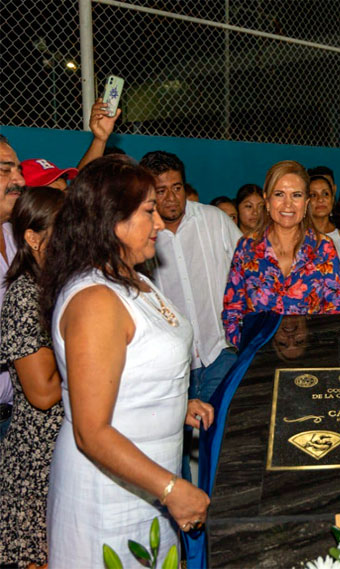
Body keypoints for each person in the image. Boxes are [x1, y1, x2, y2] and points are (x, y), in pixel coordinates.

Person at [41, 156, 214, 567]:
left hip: (146, 483)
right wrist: (172, 489)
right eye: (148, 212)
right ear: (111, 220)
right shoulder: (95, 300)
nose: (159, 223)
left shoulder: (133, 278)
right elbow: (92, 431)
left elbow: (135, 368)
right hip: (108, 496)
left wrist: (172, 403)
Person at [140, 151, 241, 405]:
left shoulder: (214, 220)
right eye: (161, 191)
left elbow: (248, 271)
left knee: (219, 437)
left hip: (220, 352)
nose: (172, 198)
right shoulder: (140, 233)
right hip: (171, 366)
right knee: (181, 443)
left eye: (177, 188)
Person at [0, 187, 65, 568]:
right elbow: (41, 394)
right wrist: (92, 368)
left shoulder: (58, 289)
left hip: (62, 445)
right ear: (33, 237)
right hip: (37, 458)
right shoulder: (25, 296)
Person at [222, 160, 340, 347]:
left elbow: (337, 310)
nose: (288, 204)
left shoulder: (323, 248)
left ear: (306, 203)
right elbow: (232, 308)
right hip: (259, 360)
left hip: (309, 360)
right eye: (279, 194)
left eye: (296, 195)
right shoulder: (247, 247)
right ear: (267, 201)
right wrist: (248, 346)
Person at [0, 136, 24, 440]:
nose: (19, 179)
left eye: (18, 169)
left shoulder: (16, 234)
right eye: (6, 170)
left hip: (16, 414)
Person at [309, 175, 340, 271]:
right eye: (313, 195)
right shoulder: (297, 236)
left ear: (332, 199)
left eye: (325, 194)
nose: (320, 199)